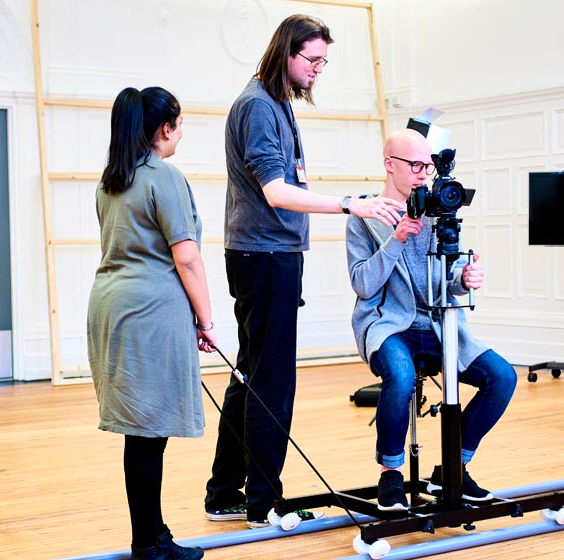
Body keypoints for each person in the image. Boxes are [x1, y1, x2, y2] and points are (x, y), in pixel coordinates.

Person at [204, 14, 405, 529]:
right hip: (264, 257)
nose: (318, 70)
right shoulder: (257, 107)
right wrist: (350, 205)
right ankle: (263, 503)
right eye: (312, 60)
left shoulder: (273, 104)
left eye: (323, 62)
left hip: (267, 255)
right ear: (286, 53)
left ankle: (225, 493)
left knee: (249, 374)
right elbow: (275, 191)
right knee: (271, 380)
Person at [345, 128, 518, 511]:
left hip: (440, 327)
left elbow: (449, 278)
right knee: (402, 376)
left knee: (502, 377)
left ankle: (454, 467)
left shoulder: (441, 209)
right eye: (417, 165)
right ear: (390, 165)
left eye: (430, 165)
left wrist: (465, 278)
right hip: (388, 325)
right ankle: (391, 474)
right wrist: (398, 239)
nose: (425, 174)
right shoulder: (366, 215)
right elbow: (362, 283)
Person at [88, 86, 215, 560]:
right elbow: (187, 258)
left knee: (140, 431)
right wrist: (207, 319)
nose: (181, 133)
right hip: (149, 312)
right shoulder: (164, 176)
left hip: (109, 307)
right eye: (179, 125)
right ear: (164, 129)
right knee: (147, 434)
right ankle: (150, 543)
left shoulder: (110, 180)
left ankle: (153, 535)